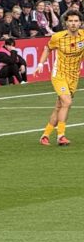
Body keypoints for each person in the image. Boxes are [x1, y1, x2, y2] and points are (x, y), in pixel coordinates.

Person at [32, 10, 84, 146]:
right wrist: (40, 64)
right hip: (59, 74)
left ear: (80, 23)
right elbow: (47, 48)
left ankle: (45, 135)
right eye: (70, 21)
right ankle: (61, 136)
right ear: (66, 23)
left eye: (76, 21)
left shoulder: (83, 36)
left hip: (74, 76)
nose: (73, 24)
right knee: (67, 102)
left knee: (59, 107)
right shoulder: (58, 37)